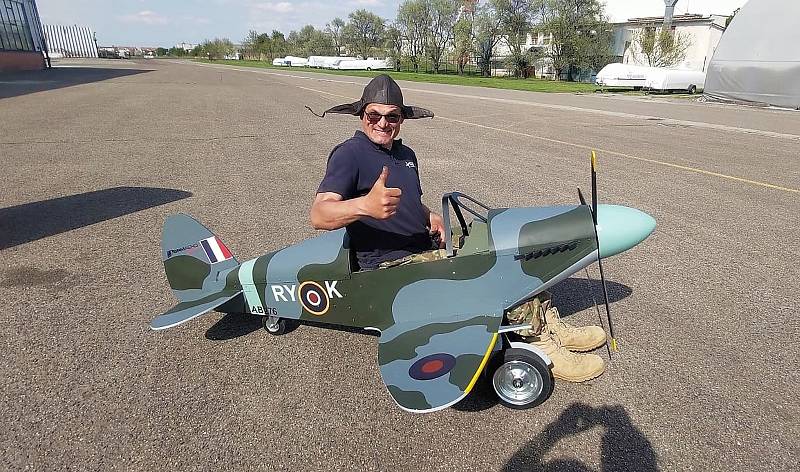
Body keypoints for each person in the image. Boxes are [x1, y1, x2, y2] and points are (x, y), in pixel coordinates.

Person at [309, 75, 606, 382]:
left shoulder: (404, 154)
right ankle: (540, 342)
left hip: (422, 245)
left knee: (510, 244)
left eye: (392, 116)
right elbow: (319, 214)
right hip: (389, 264)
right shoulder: (349, 154)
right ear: (362, 115)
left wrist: (430, 216)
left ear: (402, 119)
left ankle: (547, 321)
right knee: (494, 264)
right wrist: (363, 206)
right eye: (374, 115)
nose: (383, 123)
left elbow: (409, 200)